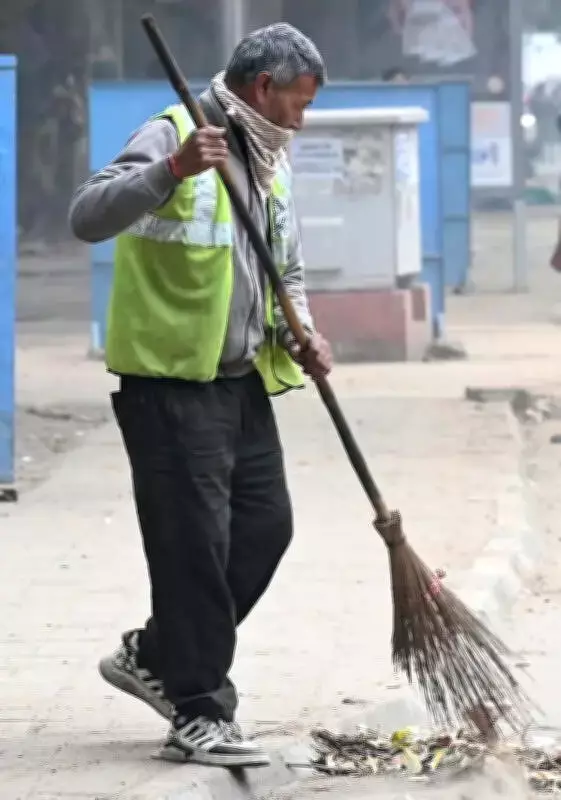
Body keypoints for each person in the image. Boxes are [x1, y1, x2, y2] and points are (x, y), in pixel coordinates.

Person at [68, 23, 333, 768]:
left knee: (265, 526)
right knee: (193, 550)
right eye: (298, 103)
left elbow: (286, 268)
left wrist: (303, 329)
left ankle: (156, 655)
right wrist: (172, 172)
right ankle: (199, 710)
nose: (301, 119)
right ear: (262, 89)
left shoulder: (268, 157)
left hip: (242, 380)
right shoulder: (174, 133)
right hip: (171, 383)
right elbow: (86, 217)